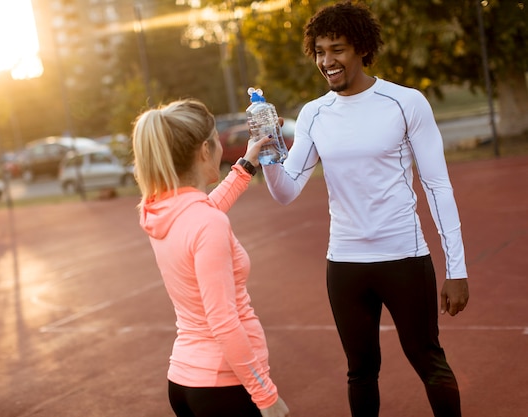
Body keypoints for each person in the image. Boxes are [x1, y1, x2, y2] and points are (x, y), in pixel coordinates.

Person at [261, 2, 469, 417]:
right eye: (320, 51)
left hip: (404, 258)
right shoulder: (314, 114)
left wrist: (456, 270)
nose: (327, 61)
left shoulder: (405, 102)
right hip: (345, 263)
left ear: (361, 49)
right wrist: (268, 152)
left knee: (428, 361)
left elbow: (437, 186)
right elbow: (286, 191)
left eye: (336, 49)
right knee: (360, 372)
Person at [132, 98, 290, 417]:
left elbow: (206, 211)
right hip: (224, 388)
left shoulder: (162, 210)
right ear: (205, 150)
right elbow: (223, 321)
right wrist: (266, 396)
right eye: (217, 142)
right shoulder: (206, 222)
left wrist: (247, 163)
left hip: (184, 381)